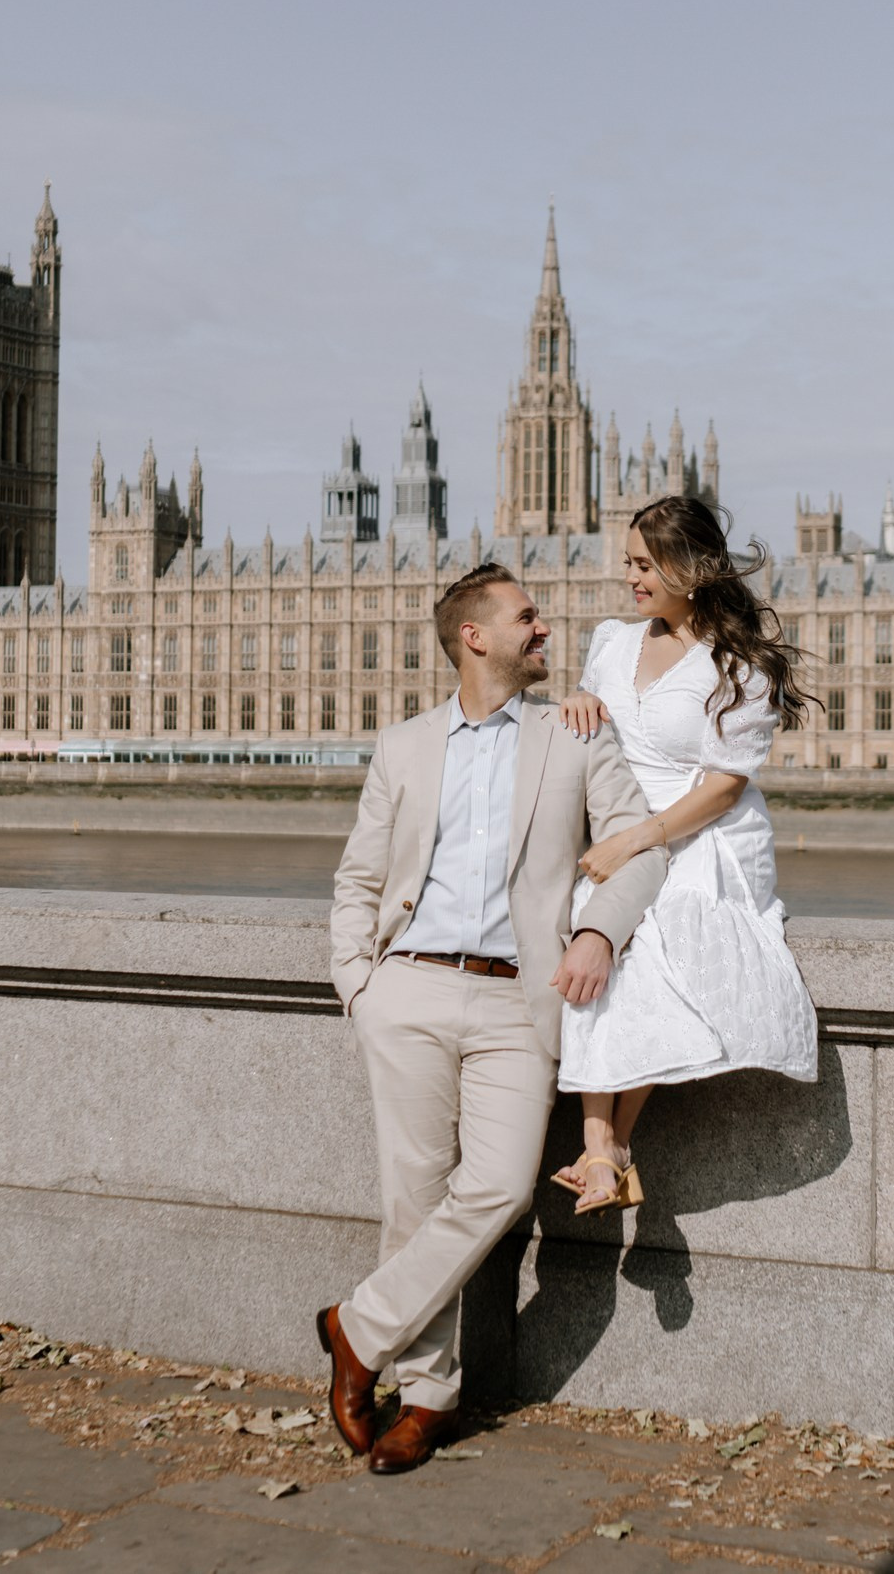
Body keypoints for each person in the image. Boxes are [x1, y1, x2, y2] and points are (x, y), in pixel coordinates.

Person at [317, 562, 668, 1475]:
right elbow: (359, 880)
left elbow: (639, 851)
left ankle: (356, 1328)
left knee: (503, 1186)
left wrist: (597, 933)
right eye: (527, 616)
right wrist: (361, 984)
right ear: (475, 636)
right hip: (411, 989)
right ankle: (428, 1396)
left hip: (521, 996)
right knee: (414, 1200)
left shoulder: (575, 734)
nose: (544, 627)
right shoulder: (403, 746)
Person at [551, 494, 819, 1216]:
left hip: (700, 834)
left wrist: (642, 838)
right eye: (629, 562)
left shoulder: (738, 667)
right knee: (589, 931)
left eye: (643, 564)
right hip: (619, 825)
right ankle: (604, 1148)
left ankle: (608, 1145)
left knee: (654, 946)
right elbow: (596, 716)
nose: (629, 576)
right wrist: (578, 697)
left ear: (688, 567)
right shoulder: (611, 641)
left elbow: (725, 787)